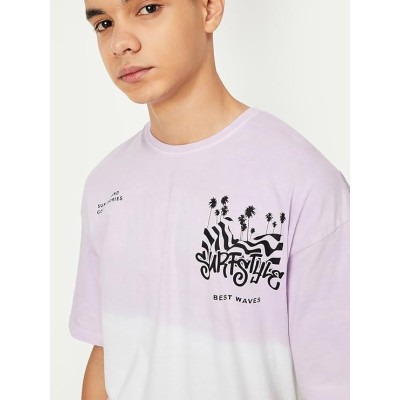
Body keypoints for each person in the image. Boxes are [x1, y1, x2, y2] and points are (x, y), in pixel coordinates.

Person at [69, 0, 350, 399]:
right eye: (103, 23)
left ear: (209, 9)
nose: (120, 43)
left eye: (148, 8)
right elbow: (106, 350)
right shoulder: (105, 186)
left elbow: (335, 381)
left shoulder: (303, 181)